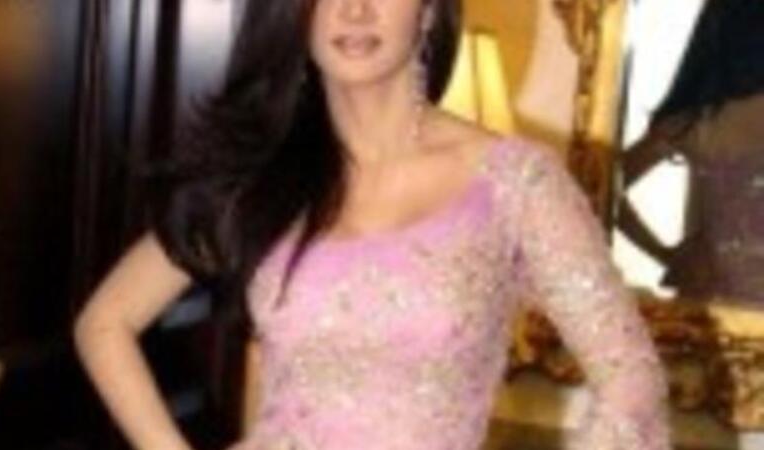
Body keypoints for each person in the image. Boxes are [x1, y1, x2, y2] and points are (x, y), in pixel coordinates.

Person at [73, 0, 671, 449]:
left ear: (429, 9)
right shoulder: (264, 179)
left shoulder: (516, 182)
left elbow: (632, 380)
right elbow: (105, 323)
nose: (354, 9)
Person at [618, 0, 764, 306]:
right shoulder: (695, 121)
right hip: (713, 308)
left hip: (712, 304)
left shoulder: (696, 121)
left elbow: (602, 189)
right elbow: (603, 189)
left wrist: (669, 257)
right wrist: (670, 257)